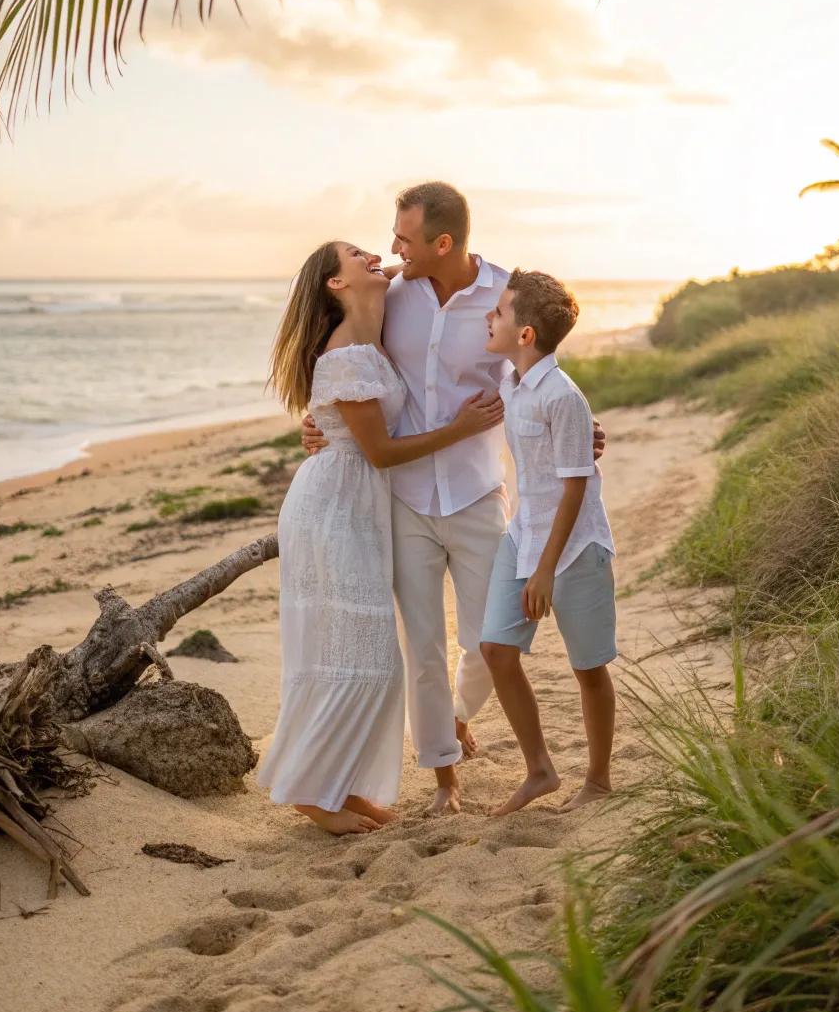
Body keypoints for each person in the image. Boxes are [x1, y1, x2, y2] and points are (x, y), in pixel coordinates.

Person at [302, 183, 606, 815]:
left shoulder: (503, 294)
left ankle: (458, 715)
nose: (393, 249)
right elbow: (341, 352)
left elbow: (532, 367)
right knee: (423, 649)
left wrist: (579, 427)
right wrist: (318, 424)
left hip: (475, 490)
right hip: (404, 495)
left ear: (443, 243)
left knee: (490, 640)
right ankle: (445, 780)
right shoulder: (391, 294)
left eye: (405, 238)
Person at [256, 240, 503, 836]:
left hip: (359, 505)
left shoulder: (373, 320)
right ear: (335, 284)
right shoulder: (346, 355)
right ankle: (313, 793)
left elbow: (422, 265)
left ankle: (335, 785)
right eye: (355, 254)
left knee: (358, 656)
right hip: (334, 510)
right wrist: (460, 427)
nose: (376, 254)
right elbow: (381, 451)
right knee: (359, 658)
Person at [479, 269, 617, 816]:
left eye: (499, 312)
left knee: (588, 667)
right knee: (495, 649)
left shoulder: (563, 396)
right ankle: (540, 770)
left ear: (526, 333)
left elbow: (575, 488)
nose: (489, 318)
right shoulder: (510, 383)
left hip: (575, 545)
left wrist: (544, 570)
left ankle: (599, 781)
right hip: (523, 534)